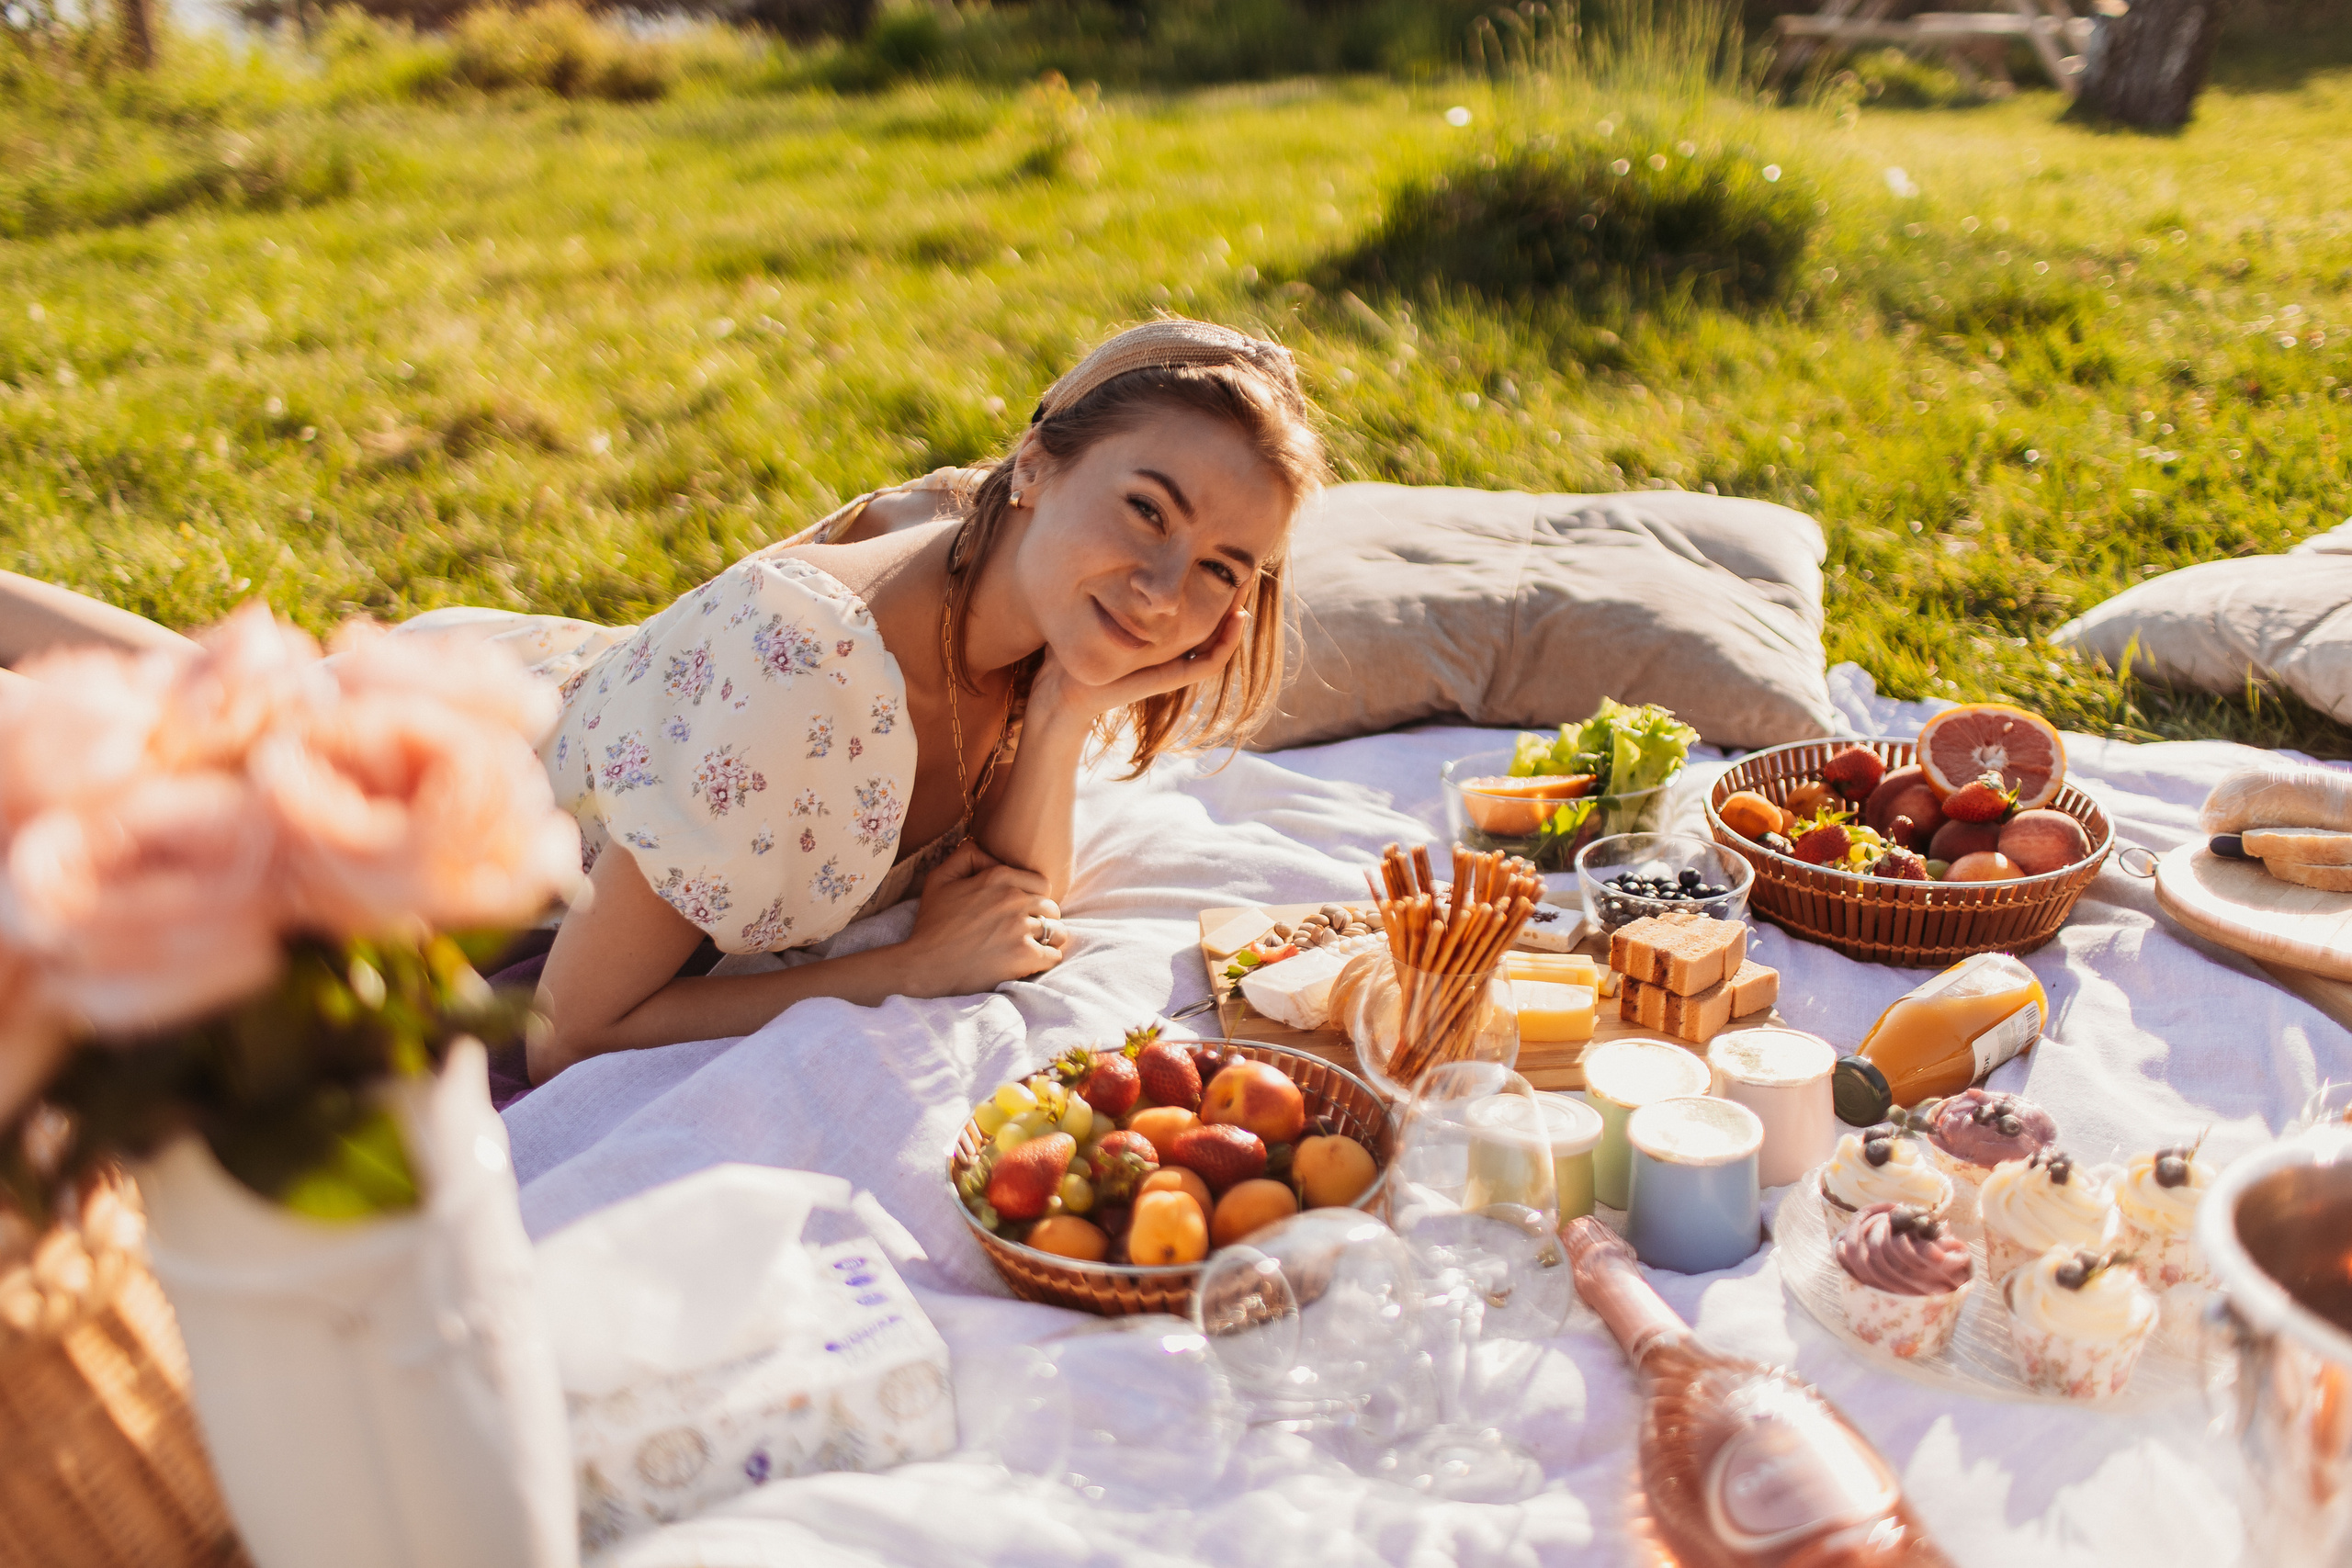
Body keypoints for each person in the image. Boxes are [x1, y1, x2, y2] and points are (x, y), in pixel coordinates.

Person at [0, 318, 1329, 1086]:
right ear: (1036, 463)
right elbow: (568, 1029)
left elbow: (1012, 897)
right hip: (468, 785)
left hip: (589, 692)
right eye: (1146, 509)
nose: (1166, 588)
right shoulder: (811, 675)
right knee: (182, 725)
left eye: (1222, 568)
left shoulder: (1041, 600)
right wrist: (908, 971)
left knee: (198, 684)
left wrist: (1077, 704)